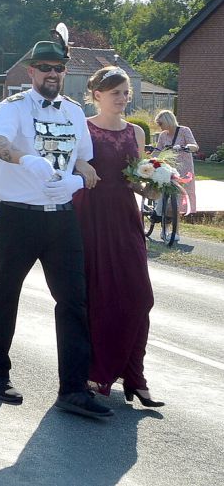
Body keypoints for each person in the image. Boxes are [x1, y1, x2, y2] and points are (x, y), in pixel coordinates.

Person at [0, 38, 112, 419]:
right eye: (45, 68)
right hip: (19, 216)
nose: (53, 74)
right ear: (32, 72)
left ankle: (72, 389)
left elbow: (85, 162)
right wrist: (25, 160)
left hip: (61, 217)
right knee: (6, 293)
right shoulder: (14, 107)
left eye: (59, 68)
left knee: (74, 301)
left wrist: (80, 178)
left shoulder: (73, 112)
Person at [73, 66, 163, 407]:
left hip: (125, 216)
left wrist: (152, 189)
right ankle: (98, 373)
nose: (124, 99)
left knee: (140, 296)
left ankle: (134, 375)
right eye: (117, 93)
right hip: (91, 215)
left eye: (126, 93)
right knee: (100, 296)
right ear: (97, 95)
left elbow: (133, 178)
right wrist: (81, 167)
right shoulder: (83, 128)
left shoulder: (136, 133)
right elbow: (68, 165)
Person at [154, 110, 199, 214]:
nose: (159, 126)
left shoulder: (184, 131)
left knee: (185, 190)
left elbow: (195, 146)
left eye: (160, 123)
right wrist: (150, 160)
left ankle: (186, 213)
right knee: (165, 189)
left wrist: (185, 147)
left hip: (184, 167)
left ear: (168, 121)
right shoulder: (163, 135)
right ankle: (165, 212)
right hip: (168, 168)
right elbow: (158, 150)